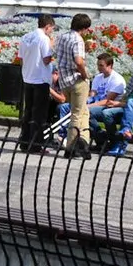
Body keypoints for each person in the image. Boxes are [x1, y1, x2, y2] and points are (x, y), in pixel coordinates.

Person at [49, 13, 94, 158]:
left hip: (64, 81)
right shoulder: (77, 39)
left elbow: (58, 55)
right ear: (84, 28)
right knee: (76, 114)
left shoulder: (62, 37)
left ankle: (84, 142)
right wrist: (85, 74)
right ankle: (71, 147)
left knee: (83, 112)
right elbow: (79, 61)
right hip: (76, 81)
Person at [16, 14, 56, 153]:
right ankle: (36, 145)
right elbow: (46, 59)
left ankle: (24, 142)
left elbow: (20, 59)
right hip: (40, 79)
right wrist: (51, 47)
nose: (51, 32)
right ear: (47, 26)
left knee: (28, 112)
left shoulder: (26, 37)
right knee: (39, 114)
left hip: (27, 77)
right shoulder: (43, 38)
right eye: (52, 29)